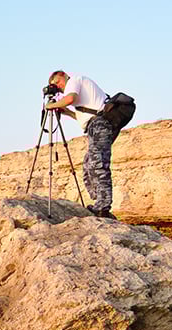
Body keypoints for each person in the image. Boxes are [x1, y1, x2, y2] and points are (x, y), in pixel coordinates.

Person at [44, 70, 118, 219]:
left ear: (64, 75)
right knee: (88, 165)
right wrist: (65, 112)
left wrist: (50, 106)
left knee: (98, 165)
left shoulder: (74, 81)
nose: (58, 87)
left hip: (100, 124)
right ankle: (99, 201)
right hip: (95, 126)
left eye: (58, 82)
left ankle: (103, 207)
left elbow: (70, 99)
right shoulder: (80, 92)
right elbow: (81, 116)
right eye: (55, 86)